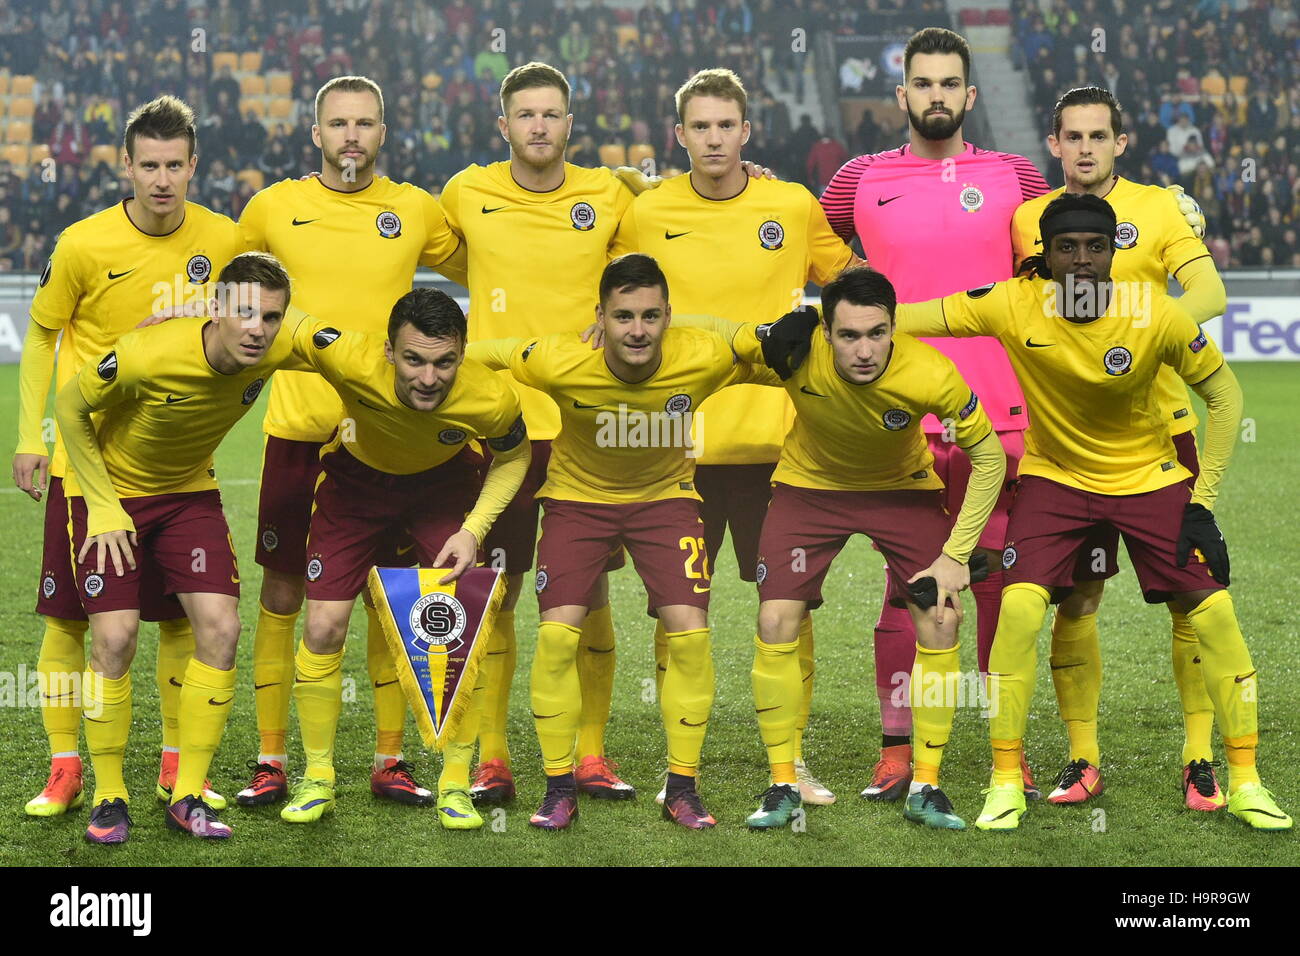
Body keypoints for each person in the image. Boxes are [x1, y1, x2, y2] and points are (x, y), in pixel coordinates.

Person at [895, 193, 1291, 832]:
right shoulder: (1011, 302)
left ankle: (1245, 777)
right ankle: (1005, 779)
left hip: (1149, 476)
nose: (1082, 260)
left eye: (1096, 247)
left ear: (1114, 252)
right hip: (1056, 479)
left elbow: (1225, 395)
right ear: (1043, 256)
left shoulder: (1155, 313)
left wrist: (1204, 503)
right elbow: (911, 316)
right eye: (1066, 247)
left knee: (1215, 613)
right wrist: (828, 317)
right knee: (1020, 611)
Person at [610, 66, 859, 805]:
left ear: (746, 132)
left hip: (775, 449)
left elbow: (851, 283)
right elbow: (611, 290)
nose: (714, 139)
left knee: (786, 607)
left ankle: (791, 763)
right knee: (678, 614)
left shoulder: (790, 203)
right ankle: (677, 767)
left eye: (727, 126)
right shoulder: (648, 211)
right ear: (678, 135)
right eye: (700, 127)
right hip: (673, 448)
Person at [468, 253, 779, 830]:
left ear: (669, 317)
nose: (638, 330)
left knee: (689, 638)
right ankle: (558, 788)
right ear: (600, 319)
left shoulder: (703, 356)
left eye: (651, 316)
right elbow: (484, 354)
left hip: (667, 502)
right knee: (558, 639)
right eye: (623, 317)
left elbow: (773, 363)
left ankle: (682, 788)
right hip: (576, 503)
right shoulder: (560, 360)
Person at [819, 26, 1049, 802]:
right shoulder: (858, 181)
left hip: (1002, 417)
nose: (938, 96)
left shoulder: (1015, 174)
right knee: (904, 590)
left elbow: (1068, 254)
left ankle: (997, 755)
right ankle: (895, 751)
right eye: (924, 83)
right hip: (897, 417)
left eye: (951, 83)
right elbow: (786, 237)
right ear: (903, 94)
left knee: (990, 586)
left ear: (971, 95)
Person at [13, 95, 245, 820]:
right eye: (149, 165)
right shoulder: (85, 244)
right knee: (72, 625)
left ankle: (178, 771)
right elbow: (43, 333)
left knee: (182, 622)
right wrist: (30, 436)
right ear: (126, 165)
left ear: (193, 166)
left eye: (175, 166)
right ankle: (65, 769)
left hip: (176, 467)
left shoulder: (226, 239)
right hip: (84, 468)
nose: (162, 180)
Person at [236, 75, 465, 810]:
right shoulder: (273, 208)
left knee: (388, 596)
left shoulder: (413, 208)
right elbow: (221, 276)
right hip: (298, 432)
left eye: (365, 123)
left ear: (383, 131)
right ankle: (272, 758)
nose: (352, 137)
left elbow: (493, 257)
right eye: (338, 123)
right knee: (282, 593)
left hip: (383, 438)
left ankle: (389, 760)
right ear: (316, 133)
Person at [438, 61, 662, 804]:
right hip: (499, 426)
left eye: (551, 114)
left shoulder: (608, 192)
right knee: (494, 593)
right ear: (503, 126)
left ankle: (590, 755)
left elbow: (665, 242)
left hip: (585, 425)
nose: (539, 126)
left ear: (570, 124)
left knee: (588, 592)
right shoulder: (465, 193)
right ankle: (494, 757)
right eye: (525, 115)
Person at [709, 267, 1006, 830]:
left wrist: (955, 555)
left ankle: (928, 785)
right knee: (775, 619)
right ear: (825, 332)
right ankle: (782, 785)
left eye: (877, 333)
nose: (864, 349)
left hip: (901, 490)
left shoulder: (932, 374)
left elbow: (989, 458)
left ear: (895, 327)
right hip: (809, 489)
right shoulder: (798, 352)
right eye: (848, 335)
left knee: (940, 613)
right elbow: (714, 336)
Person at [1011, 86, 1231, 809]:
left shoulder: (1161, 209)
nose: (1084, 148)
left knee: (1188, 604)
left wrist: (1140, 336)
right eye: (1071, 136)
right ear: (1054, 145)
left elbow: (1210, 293)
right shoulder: (1028, 220)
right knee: (1075, 600)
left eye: (1097, 135)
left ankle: (1199, 759)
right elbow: (1026, 307)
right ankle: (1083, 759)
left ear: (1119, 142)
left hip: (1161, 432)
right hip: (1068, 444)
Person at [54, 253, 301, 843]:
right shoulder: (148, 353)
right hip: (111, 493)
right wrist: (105, 505)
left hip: (189, 494)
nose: (256, 329)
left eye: (270, 317)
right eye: (243, 312)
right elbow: (69, 407)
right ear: (215, 308)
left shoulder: (281, 343)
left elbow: (354, 348)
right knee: (113, 638)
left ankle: (187, 793)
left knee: (220, 628)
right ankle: (110, 794)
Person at [278, 289, 530, 830]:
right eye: (413, 359)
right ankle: (317, 777)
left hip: (442, 486)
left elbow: (514, 457)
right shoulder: (347, 355)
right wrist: (194, 321)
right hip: (354, 484)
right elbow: (283, 326)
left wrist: (472, 529)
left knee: (456, 622)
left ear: (462, 353)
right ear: (388, 351)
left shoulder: (491, 397)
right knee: (322, 626)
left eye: (444, 362)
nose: (428, 377)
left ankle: (456, 784)